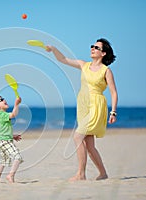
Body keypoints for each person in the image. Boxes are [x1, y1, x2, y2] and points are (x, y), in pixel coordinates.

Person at [46, 38, 118, 181]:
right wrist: (53, 49)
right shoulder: (83, 65)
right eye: (92, 46)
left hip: (96, 105)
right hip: (83, 105)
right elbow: (63, 59)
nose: (92, 48)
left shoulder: (106, 71)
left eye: (96, 47)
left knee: (78, 136)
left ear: (103, 53)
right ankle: (103, 173)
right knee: (89, 144)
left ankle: (81, 174)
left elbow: (114, 92)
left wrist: (113, 112)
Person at [0, 95, 23, 183]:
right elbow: (13, 114)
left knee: (3, 161)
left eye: (4, 98)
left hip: (0, 141)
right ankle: (10, 175)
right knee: (17, 157)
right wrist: (16, 104)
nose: (4, 100)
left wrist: (12, 136)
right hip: (4, 141)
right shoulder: (2, 114)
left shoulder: (0, 115)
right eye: (1, 100)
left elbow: (3, 130)